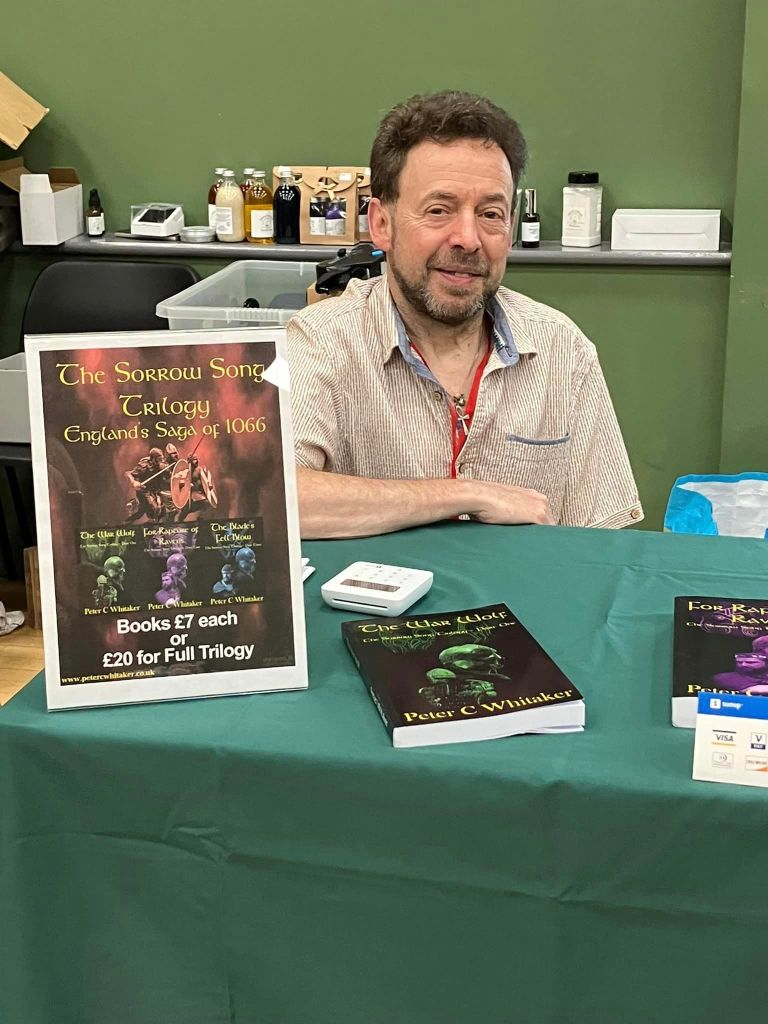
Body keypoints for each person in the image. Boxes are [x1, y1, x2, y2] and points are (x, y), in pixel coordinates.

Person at [287, 91, 643, 539]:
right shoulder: (321, 342)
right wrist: (464, 495)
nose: (468, 239)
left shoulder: (561, 349)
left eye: (490, 214)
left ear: (509, 231)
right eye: (439, 210)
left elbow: (606, 537)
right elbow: (268, 499)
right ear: (381, 224)